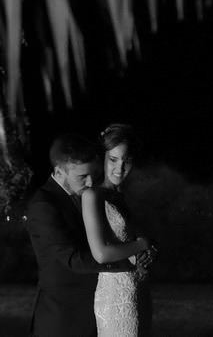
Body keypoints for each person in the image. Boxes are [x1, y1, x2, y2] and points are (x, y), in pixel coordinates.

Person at [26, 133, 135, 337]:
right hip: (63, 319)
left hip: (99, 309)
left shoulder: (91, 195)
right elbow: (74, 259)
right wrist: (129, 262)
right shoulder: (44, 206)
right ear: (59, 173)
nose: (90, 181)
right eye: (82, 176)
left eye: (93, 173)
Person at [83, 123, 155, 336]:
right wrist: (141, 244)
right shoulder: (92, 196)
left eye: (127, 161)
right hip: (115, 296)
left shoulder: (126, 197)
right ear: (102, 158)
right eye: (113, 159)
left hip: (139, 289)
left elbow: (134, 240)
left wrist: (149, 252)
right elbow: (101, 253)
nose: (120, 168)